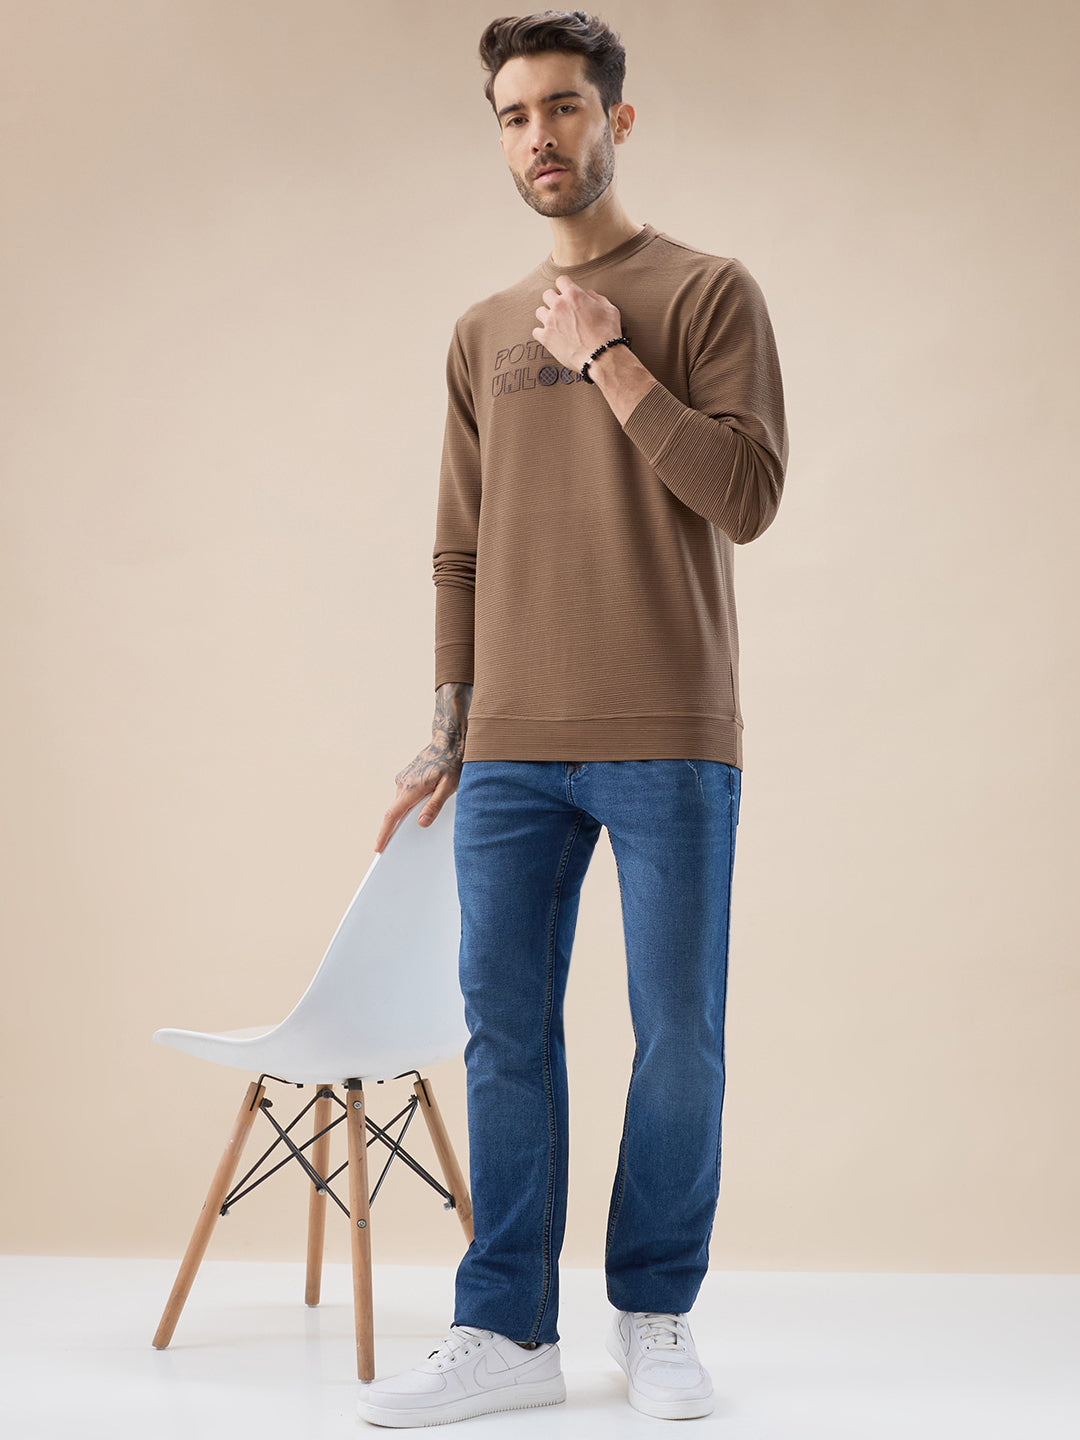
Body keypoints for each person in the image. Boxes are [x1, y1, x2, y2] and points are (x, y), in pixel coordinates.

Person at [358, 8, 788, 1429]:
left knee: (680, 1035)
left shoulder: (708, 293)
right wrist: (448, 731)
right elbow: (458, 548)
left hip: (670, 728)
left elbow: (746, 496)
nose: (537, 136)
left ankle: (654, 1311)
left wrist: (610, 359)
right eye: (513, 114)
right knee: (505, 1034)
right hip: (509, 751)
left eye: (561, 107)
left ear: (617, 120)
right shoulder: (480, 333)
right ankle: (506, 1332)